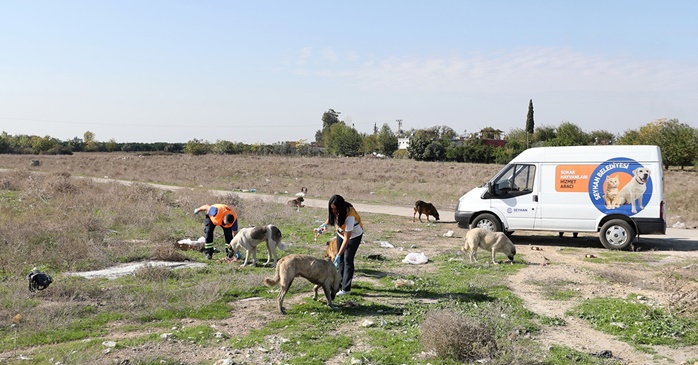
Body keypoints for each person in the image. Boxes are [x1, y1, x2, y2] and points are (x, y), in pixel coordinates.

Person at [315, 194, 363, 296]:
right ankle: (339, 283)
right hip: (340, 234)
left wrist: (339, 254)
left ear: (340, 207)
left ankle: (346, 289)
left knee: (347, 260)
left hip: (353, 236)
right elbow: (332, 217)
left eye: (335, 209)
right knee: (341, 261)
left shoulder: (350, 216)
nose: (334, 211)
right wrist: (323, 226)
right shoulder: (335, 211)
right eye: (331, 209)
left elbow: (347, 238)